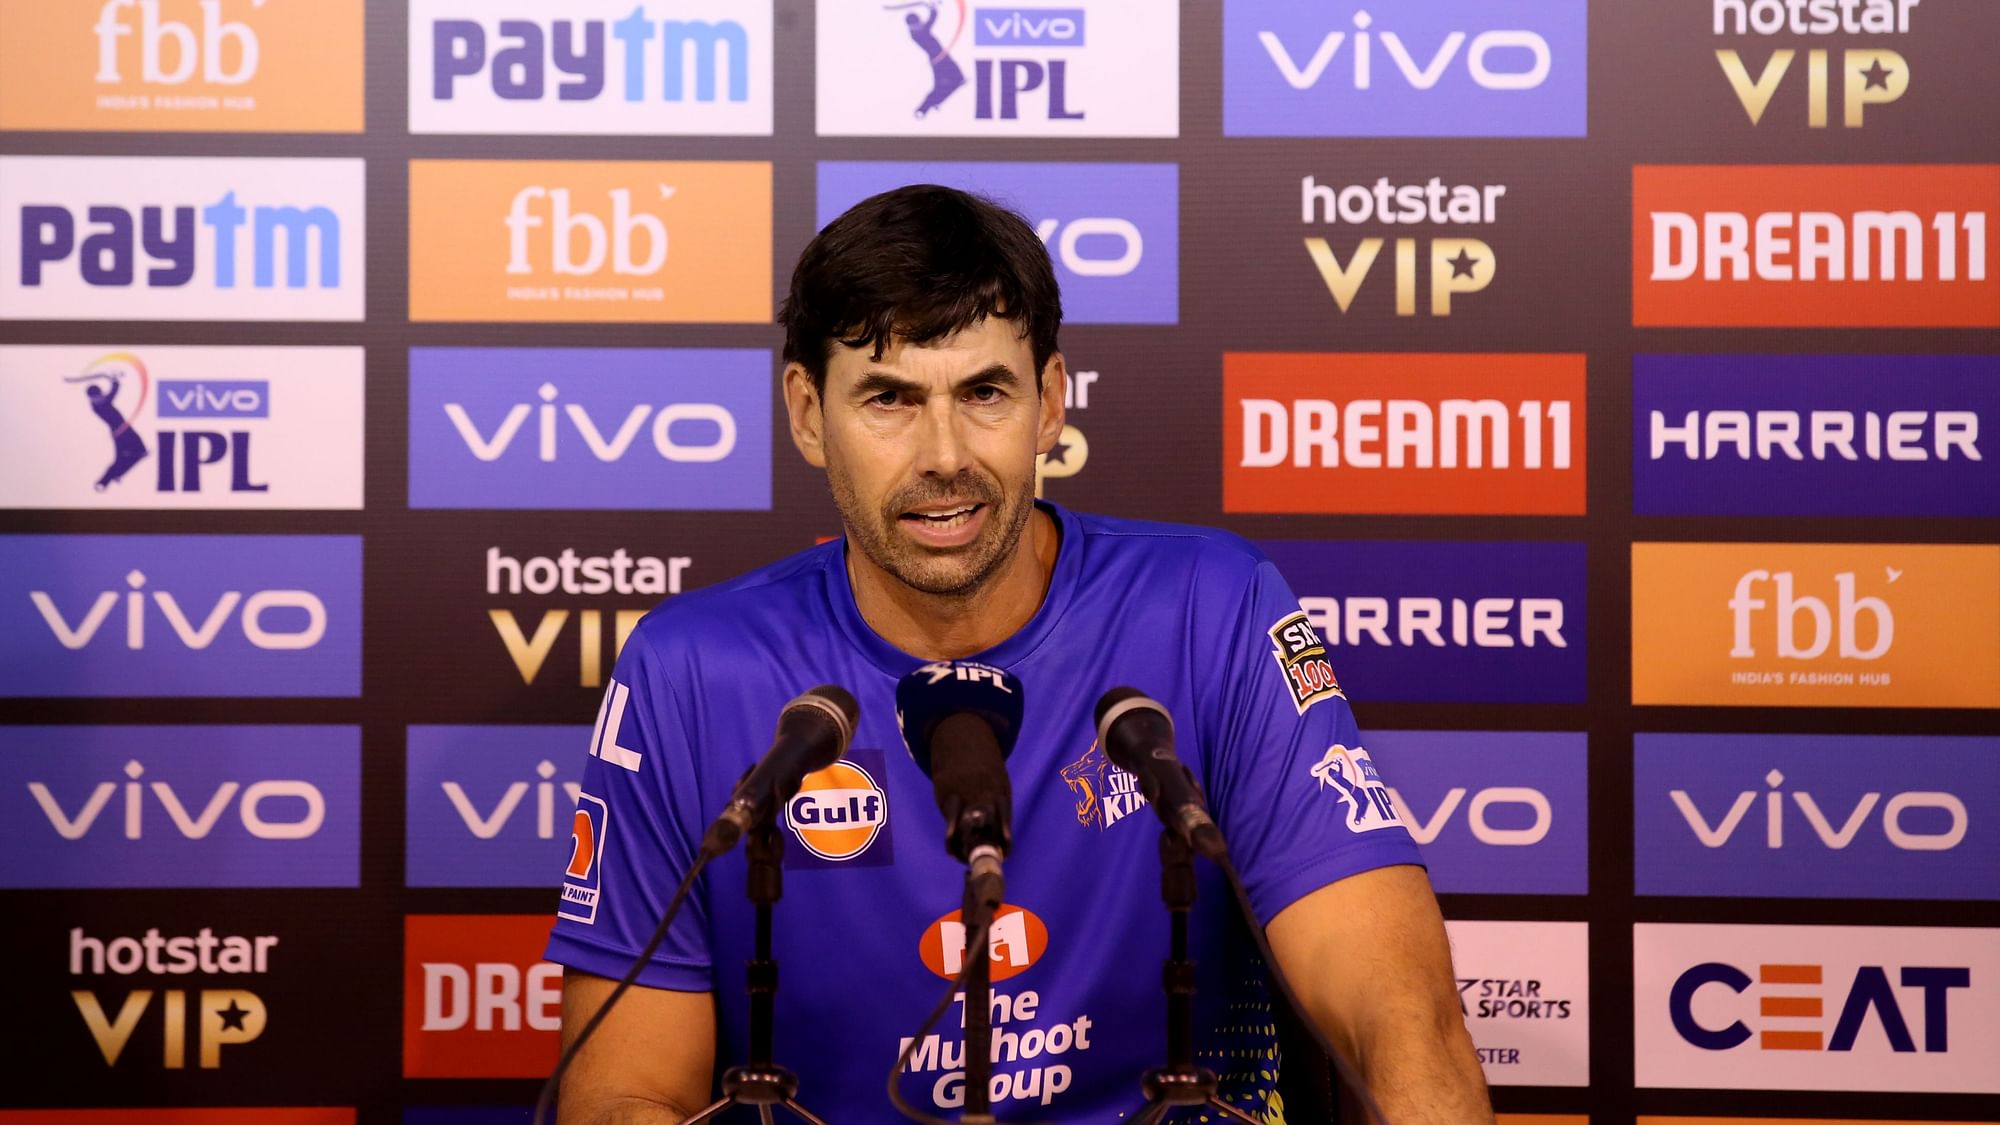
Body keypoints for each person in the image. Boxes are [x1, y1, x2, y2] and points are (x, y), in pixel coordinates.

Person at [544, 185, 1493, 1123]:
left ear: (1050, 403)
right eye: (889, 399)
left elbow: (1403, 1018)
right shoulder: (690, 670)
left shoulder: (1215, 606)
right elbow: (626, 1094)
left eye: (985, 392)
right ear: (805, 412)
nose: (945, 454)